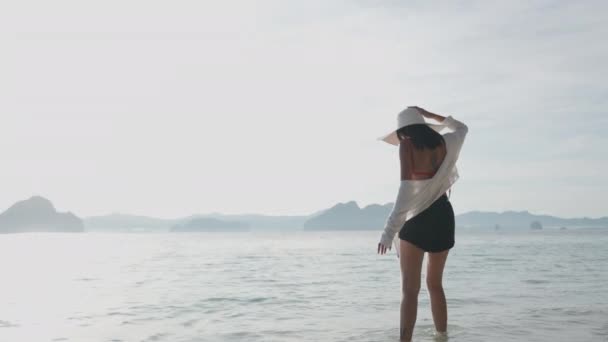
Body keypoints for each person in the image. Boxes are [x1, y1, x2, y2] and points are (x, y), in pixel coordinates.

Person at [376, 106, 468, 342]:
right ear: (423, 125)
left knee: (410, 290)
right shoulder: (446, 143)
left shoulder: (407, 145)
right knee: (435, 284)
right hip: (443, 217)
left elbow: (406, 189)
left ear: (404, 131)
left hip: (417, 219)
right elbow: (463, 127)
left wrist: (389, 231)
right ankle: (442, 337)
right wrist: (432, 115)